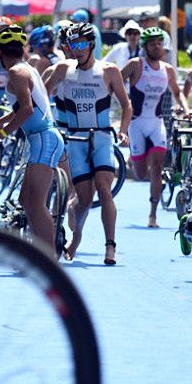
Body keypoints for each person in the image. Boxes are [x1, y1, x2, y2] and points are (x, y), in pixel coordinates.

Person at [44, 22, 132, 264]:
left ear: (92, 44)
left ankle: (110, 246)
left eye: (82, 43)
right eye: (73, 44)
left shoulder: (109, 70)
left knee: (104, 190)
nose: (77, 49)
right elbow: (41, 94)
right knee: (83, 198)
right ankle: (77, 236)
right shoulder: (63, 68)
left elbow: (126, 105)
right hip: (75, 139)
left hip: (102, 137)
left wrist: (123, 131)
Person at [0, 25, 64, 255]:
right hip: (40, 139)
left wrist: (1, 136)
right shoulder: (25, 68)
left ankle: (50, 261)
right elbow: (22, 108)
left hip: (43, 139)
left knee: (36, 204)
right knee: (26, 201)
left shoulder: (17, 73)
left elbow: (26, 110)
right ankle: (39, 254)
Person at [121, 26, 187, 228]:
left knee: (157, 166)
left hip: (156, 122)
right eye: (152, 44)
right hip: (136, 123)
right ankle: (135, 159)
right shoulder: (135, 64)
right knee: (141, 173)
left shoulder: (167, 69)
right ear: (145, 46)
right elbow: (114, 82)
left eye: (159, 43)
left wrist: (185, 109)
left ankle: (153, 214)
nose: (157, 47)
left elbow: (177, 92)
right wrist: (123, 105)